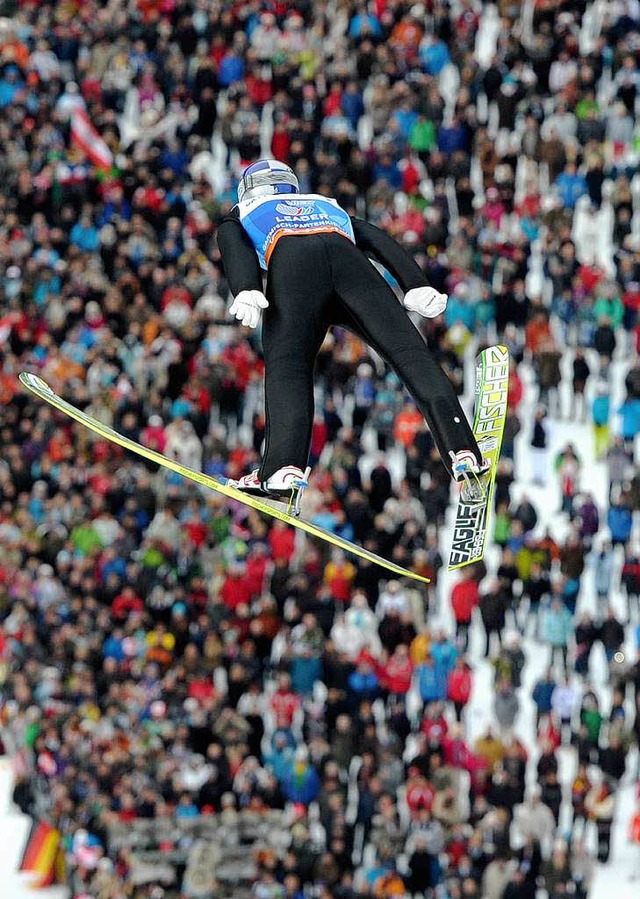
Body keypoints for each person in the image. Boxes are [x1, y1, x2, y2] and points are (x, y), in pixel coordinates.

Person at [217, 159, 487, 498]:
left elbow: (231, 241)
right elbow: (374, 237)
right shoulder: (323, 203)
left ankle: (283, 467)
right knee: (411, 354)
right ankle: (461, 449)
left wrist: (246, 287)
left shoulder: (245, 209)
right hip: (352, 268)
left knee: (289, 367)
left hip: (294, 269)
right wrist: (414, 283)